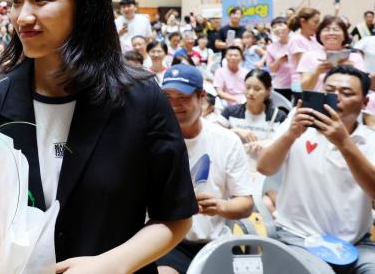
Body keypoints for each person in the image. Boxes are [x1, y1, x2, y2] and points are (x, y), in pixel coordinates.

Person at [0, 0, 197, 273]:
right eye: (16, 1)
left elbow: (174, 217)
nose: (23, 16)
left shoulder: (141, 99)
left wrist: (111, 265)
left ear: (85, 5)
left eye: (40, 0)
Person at [257, 66, 375, 274]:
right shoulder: (297, 120)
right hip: (298, 237)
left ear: (364, 102)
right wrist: (290, 135)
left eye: (347, 93)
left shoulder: (370, 140)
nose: (336, 97)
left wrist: (344, 143)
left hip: (355, 243)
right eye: (329, 90)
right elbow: (265, 168)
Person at [157, 64, 253, 274]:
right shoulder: (152, 139)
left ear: (202, 97)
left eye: (182, 97)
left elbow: (245, 202)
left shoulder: (226, 141)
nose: (174, 106)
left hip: (213, 243)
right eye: (168, 97)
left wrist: (219, 206)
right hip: (166, 240)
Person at [221, 69, 287, 168]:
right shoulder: (230, 112)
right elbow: (214, 134)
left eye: (257, 89)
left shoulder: (279, 116)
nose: (251, 93)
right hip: (234, 167)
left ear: (268, 91)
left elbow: (285, 144)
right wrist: (235, 130)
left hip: (265, 170)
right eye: (247, 87)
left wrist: (269, 143)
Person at [299, 15, 365, 92]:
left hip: (347, 102)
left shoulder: (355, 57)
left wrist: (353, 70)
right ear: (319, 35)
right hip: (317, 101)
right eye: (326, 30)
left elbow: (364, 87)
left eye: (336, 30)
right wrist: (317, 72)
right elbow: (304, 88)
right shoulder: (309, 56)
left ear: (344, 36)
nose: (331, 33)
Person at [287, 7, 322, 101]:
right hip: (301, 84)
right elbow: (305, 64)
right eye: (315, 22)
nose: (318, 25)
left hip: (316, 82)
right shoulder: (296, 39)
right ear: (303, 22)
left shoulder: (314, 39)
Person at [265, 17, 292, 100]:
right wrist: (279, 60)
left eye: (280, 25)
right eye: (274, 27)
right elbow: (271, 69)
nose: (277, 28)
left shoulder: (296, 42)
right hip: (281, 86)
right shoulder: (271, 47)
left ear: (288, 27)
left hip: (298, 84)